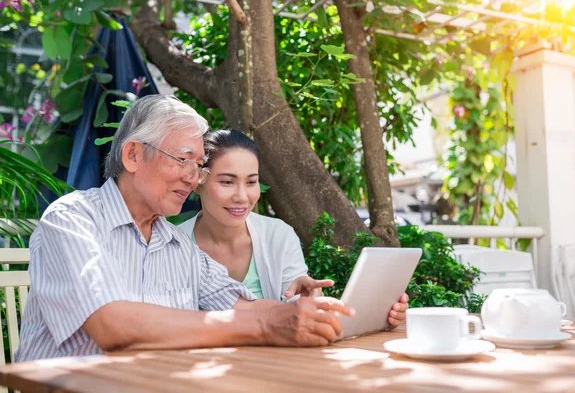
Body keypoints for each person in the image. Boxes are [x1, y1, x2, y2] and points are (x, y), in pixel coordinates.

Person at [14, 95, 353, 362]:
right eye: (182, 159)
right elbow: (111, 325)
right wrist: (268, 324)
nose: (193, 177)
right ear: (133, 155)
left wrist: (315, 313)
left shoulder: (175, 243)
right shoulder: (73, 219)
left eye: (199, 165)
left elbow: (244, 308)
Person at [177, 129, 409, 328]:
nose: (242, 196)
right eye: (227, 182)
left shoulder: (278, 235)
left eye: (251, 182)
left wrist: (305, 303)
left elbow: (295, 312)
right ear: (198, 182)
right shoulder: (174, 245)